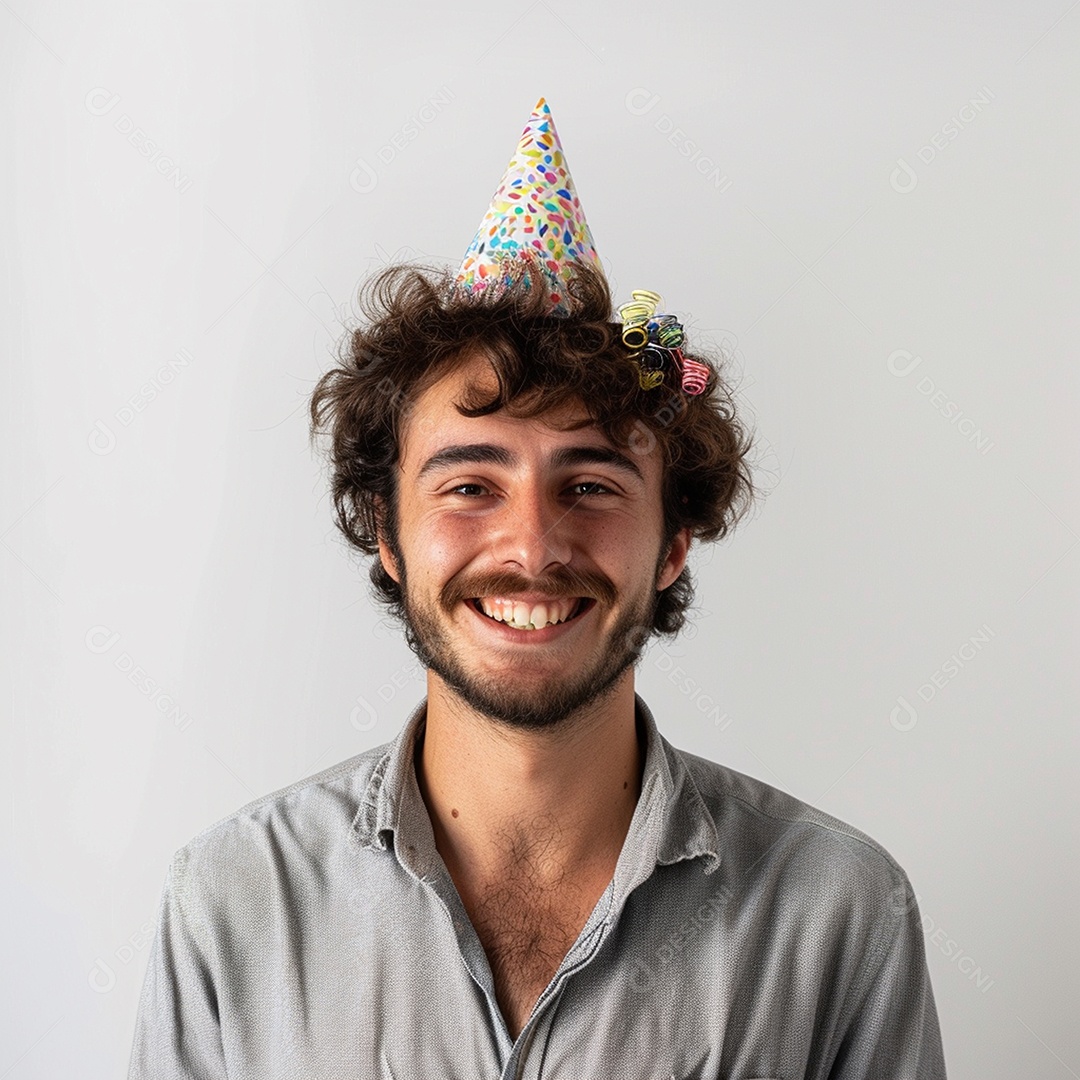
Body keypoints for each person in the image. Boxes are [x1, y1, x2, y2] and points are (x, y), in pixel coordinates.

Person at [128, 98, 946, 1079]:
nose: (532, 546)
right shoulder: (232, 902)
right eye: (471, 486)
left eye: (590, 486)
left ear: (673, 541)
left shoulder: (839, 914)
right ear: (387, 532)